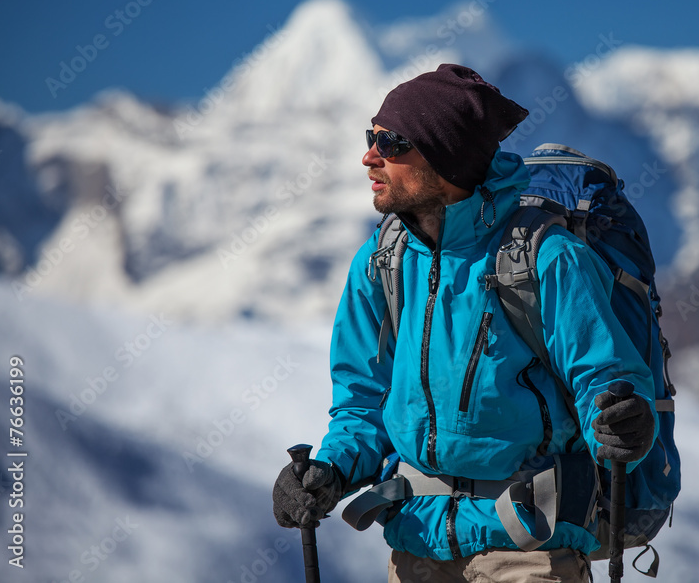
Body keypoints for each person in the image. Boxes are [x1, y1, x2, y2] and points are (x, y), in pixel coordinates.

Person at [273, 63, 658, 582]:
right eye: (371, 137)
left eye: (391, 143)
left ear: (446, 158)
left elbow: (607, 384)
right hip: (416, 546)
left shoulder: (547, 258)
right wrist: (329, 471)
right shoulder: (381, 260)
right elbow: (363, 405)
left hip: (530, 546)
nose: (369, 156)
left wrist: (624, 422)